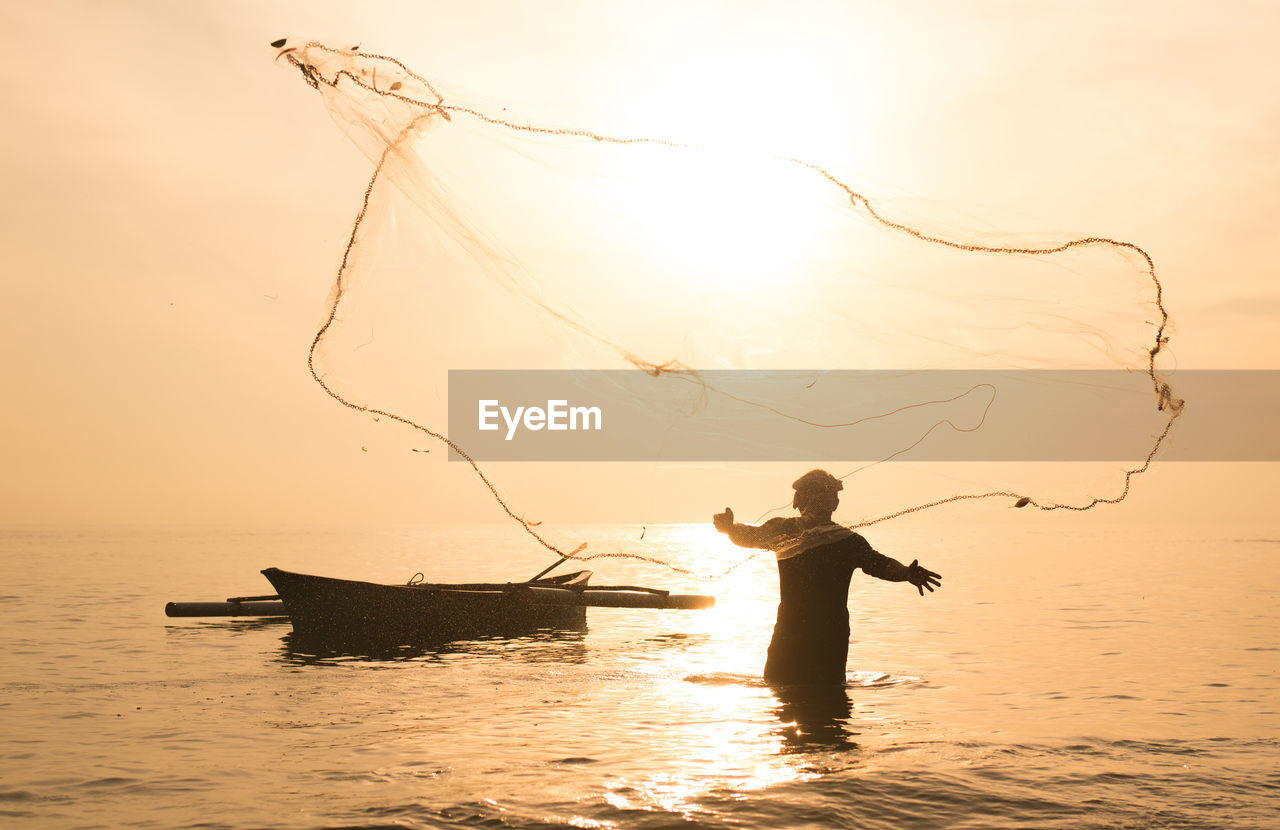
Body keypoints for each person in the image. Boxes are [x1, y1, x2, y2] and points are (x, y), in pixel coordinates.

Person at [713, 469, 941, 685]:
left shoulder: (830, 538)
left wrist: (906, 573)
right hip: (817, 636)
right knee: (826, 707)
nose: (828, 502)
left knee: (782, 696)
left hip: (804, 635)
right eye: (826, 496)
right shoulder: (830, 538)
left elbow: (880, 564)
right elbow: (749, 536)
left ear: (798, 502)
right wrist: (730, 528)